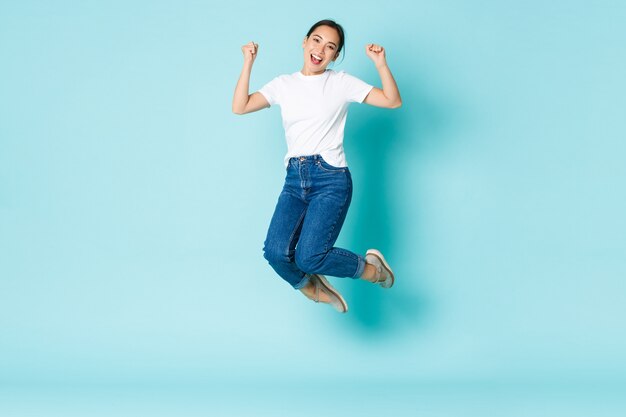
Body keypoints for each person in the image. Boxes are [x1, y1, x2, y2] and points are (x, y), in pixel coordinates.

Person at [232, 19, 402, 313]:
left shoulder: (340, 82)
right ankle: (311, 286)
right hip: (294, 179)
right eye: (317, 40)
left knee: (309, 256)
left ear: (335, 56)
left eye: (330, 46)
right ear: (305, 41)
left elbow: (392, 100)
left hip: (330, 179)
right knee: (275, 253)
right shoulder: (283, 85)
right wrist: (248, 62)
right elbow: (240, 106)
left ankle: (373, 270)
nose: (320, 49)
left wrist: (381, 64)